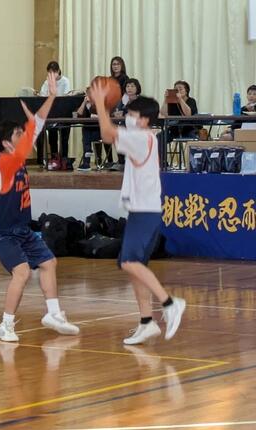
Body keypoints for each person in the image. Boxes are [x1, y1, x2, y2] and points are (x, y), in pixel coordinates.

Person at [0, 71, 79, 342]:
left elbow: (37, 125)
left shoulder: (17, 157)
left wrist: (52, 97)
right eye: (18, 134)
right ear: (6, 143)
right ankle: (6, 325)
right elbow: (35, 127)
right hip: (1, 232)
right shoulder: (3, 163)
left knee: (49, 262)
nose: (23, 136)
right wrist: (36, 120)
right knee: (22, 272)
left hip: (21, 228)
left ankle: (54, 314)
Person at [91, 81, 186, 345]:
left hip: (145, 212)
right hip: (142, 211)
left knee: (129, 262)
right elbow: (111, 133)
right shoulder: (144, 138)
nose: (127, 118)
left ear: (143, 120)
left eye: (131, 115)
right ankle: (146, 322)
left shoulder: (141, 138)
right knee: (135, 267)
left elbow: (107, 133)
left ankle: (170, 303)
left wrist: (100, 104)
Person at [36, 61, 72, 168]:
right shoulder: (47, 82)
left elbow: (65, 97)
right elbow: (43, 95)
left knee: (64, 137)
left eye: (53, 72)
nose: (51, 75)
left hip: (64, 113)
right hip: (51, 113)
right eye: (49, 73)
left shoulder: (65, 81)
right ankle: (54, 158)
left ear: (58, 71)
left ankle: (64, 159)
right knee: (52, 136)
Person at [108, 78, 143, 171]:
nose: (129, 88)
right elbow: (117, 111)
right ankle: (121, 162)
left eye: (132, 86)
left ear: (137, 88)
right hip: (124, 126)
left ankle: (133, 161)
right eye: (127, 86)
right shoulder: (124, 99)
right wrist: (116, 114)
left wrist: (125, 114)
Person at [76, 86, 101, 171]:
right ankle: (87, 154)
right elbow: (79, 114)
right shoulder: (85, 103)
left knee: (87, 135)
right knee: (86, 129)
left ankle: (86, 163)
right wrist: (84, 103)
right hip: (87, 129)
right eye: (87, 93)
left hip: (98, 130)